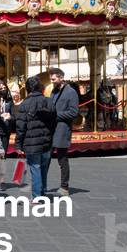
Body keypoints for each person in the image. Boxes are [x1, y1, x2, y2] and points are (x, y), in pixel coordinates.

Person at [13, 76, 56, 199]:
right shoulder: (49, 101)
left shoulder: (25, 105)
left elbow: (21, 127)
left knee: (35, 167)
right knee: (43, 167)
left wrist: (18, 144)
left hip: (31, 141)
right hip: (47, 140)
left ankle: (37, 196)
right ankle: (42, 190)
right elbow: (54, 122)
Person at [48, 68, 80, 197]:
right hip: (51, 129)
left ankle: (64, 186)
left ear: (61, 78)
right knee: (46, 158)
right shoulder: (53, 91)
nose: (51, 81)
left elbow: (73, 112)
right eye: (51, 79)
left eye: (53, 79)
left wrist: (56, 115)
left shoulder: (71, 92)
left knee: (62, 159)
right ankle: (41, 184)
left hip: (62, 130)